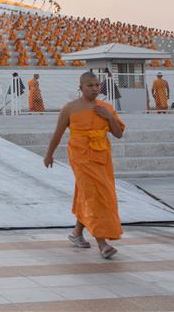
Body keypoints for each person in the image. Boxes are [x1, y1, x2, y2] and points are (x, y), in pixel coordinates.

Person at [43, 71, 125, 259]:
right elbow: (58, 133)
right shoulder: (69, 109)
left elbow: (119, 133)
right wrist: (49, 154)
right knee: (93, 195)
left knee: (94, 194)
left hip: (102, 157)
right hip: (80, 158)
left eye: (97, 85)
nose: (95, 88)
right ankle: (102, 243)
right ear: (80, 88)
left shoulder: (106, 107)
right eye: (90, 85)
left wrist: (109, 117)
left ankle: (76, 233)